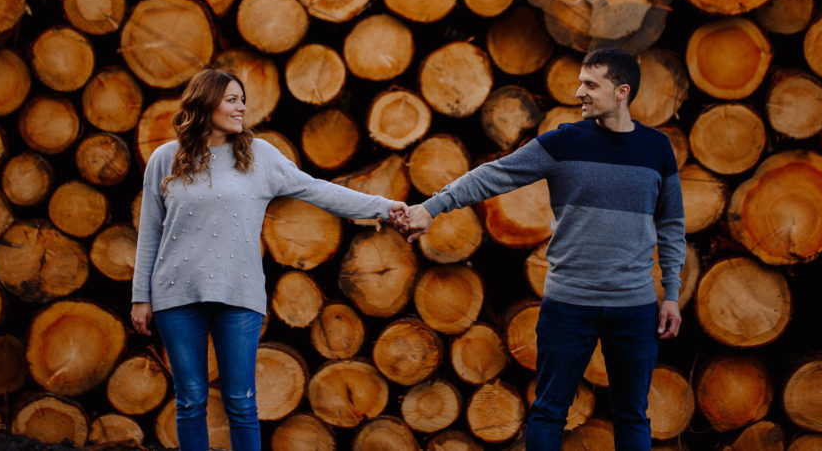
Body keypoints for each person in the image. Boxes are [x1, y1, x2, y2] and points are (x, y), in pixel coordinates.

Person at [395, 48, 685, 450]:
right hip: (568, 307)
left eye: (590, 84)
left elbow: (671, 224)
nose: (578, 91)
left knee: (632, 415)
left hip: (633, 310)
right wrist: (432, 206)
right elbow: (492, 176)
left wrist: (671, 293)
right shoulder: (563, 143)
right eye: (580, 81)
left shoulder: (657, 150)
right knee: (549, 411)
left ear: (622, 92)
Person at [131, 69, 407, 451]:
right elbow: (150, 231)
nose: (241, 107)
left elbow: (320, 191)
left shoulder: (259, 157)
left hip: (238, 296)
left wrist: (385, 208)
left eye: (242, 99)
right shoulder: (166, 158)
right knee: (190, 400)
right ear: (205, 101)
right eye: (231, 99)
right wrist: (140, 297)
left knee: (241, 402)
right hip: (176, 296)